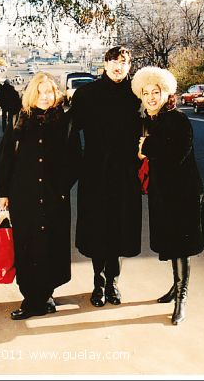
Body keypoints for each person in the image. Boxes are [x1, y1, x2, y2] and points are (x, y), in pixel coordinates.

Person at [0, 72, 82, 320]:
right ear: (32, 94)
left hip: (55, 196)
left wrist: (62, 186)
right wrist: (3, 192)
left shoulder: (64, 122)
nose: (45, 97)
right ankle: (30, 298)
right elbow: (5, 159)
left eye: (50, 92)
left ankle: (46, 296)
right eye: (40, 92)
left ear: (56, 95)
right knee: (27, 245)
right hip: (24, 195)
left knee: (51, 245)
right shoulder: (19, 120)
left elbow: (76, 158)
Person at [131, 66, 204, 325]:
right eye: (146, 93)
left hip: (183, 194)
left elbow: (176, 154)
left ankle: (181, 300)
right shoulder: (149, 121)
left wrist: (147, 148)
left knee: (181, 248)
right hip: (162, 194)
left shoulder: (177, 119)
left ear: (167, 94)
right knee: (171, 243)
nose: (151, 97)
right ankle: (175, 288)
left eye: (156, 92)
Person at [70, 46, 142, 307]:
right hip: (95, 173)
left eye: (123, 62)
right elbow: (70, 130)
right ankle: (98, 284)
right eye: (113, 61)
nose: (118, 66)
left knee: (119, 229)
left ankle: (113, 283)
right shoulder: (86, 94)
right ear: (105, 63)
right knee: (98, 229)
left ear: (129, 66)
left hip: (125, 174)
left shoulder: (137, 96)